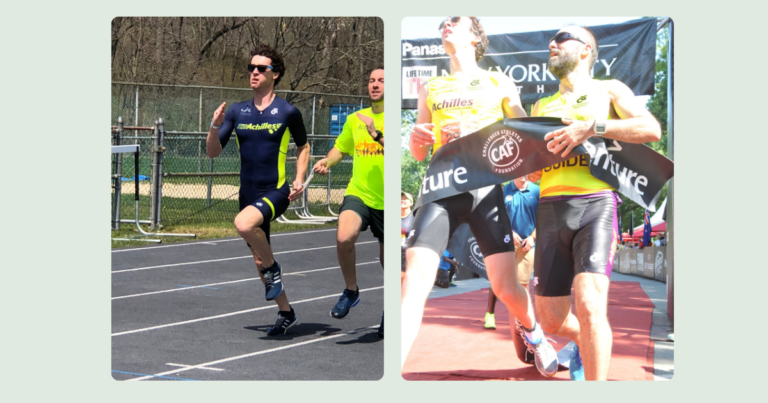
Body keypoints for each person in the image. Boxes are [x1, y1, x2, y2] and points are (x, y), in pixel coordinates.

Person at [402, 16, 557, 377]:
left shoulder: (498, 81)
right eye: (443, 22)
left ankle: (535, 334)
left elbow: (524, 133)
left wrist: (479, 130)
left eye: (455, 21)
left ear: (475, 38)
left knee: (505, 286)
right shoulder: (431, 86)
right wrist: (416, 138)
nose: (446, 24)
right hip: (440, 186)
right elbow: (419, 153)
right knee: (414, 280)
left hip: (485, 190)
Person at [527, 26, 661, 380]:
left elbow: (650, 129)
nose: (552, 44)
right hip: (551, 209)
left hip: (595, 203)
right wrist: (529, 170)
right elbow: (534, 168)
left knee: (589, 304)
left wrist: (592, 127)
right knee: (551, 318)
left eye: (562, 38)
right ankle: (585, 343)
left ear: (586, 49)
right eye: (550, 41)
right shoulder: (541, 106)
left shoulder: (609, 89)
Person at [207, 43, 309, 336]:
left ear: (274, 75)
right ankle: (286, 311)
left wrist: (299, 178)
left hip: (276, 191)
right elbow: (213, 152)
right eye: (251, 68)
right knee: (257, 260)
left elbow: (303, 147)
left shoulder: (288, 111)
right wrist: (214, 127)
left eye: (260, 68)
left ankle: (274, 269)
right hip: (247, 194)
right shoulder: (237, 112)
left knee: (243, 224)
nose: (253, 72)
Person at [314, 67, 384, 338]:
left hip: (390, 200)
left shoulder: (399, 119)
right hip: (360, 193)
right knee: (344, 237)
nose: (375, 85)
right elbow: (340, 148)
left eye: (381, 81)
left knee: (388, 262)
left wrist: (377, 134)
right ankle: (351, 290)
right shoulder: (355, 119)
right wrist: (327, 161)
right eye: (371, 81)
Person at [484, 175, 539, 367]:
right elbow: (497, 216)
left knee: (522, 286)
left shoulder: (537, 191)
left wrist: (532, 237)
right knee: (500, 283)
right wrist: (510, 233)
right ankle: (489, 313)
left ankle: (522, 327)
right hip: (506, 242)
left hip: (527, 245)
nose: (522, 174)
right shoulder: (503, 190)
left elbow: (542, 219)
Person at [401, 192, 414, 283]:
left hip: (407, 252)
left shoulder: (414, 217)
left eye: (406, 199)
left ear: (411, 203)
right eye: (401, 199)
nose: (402, 200)